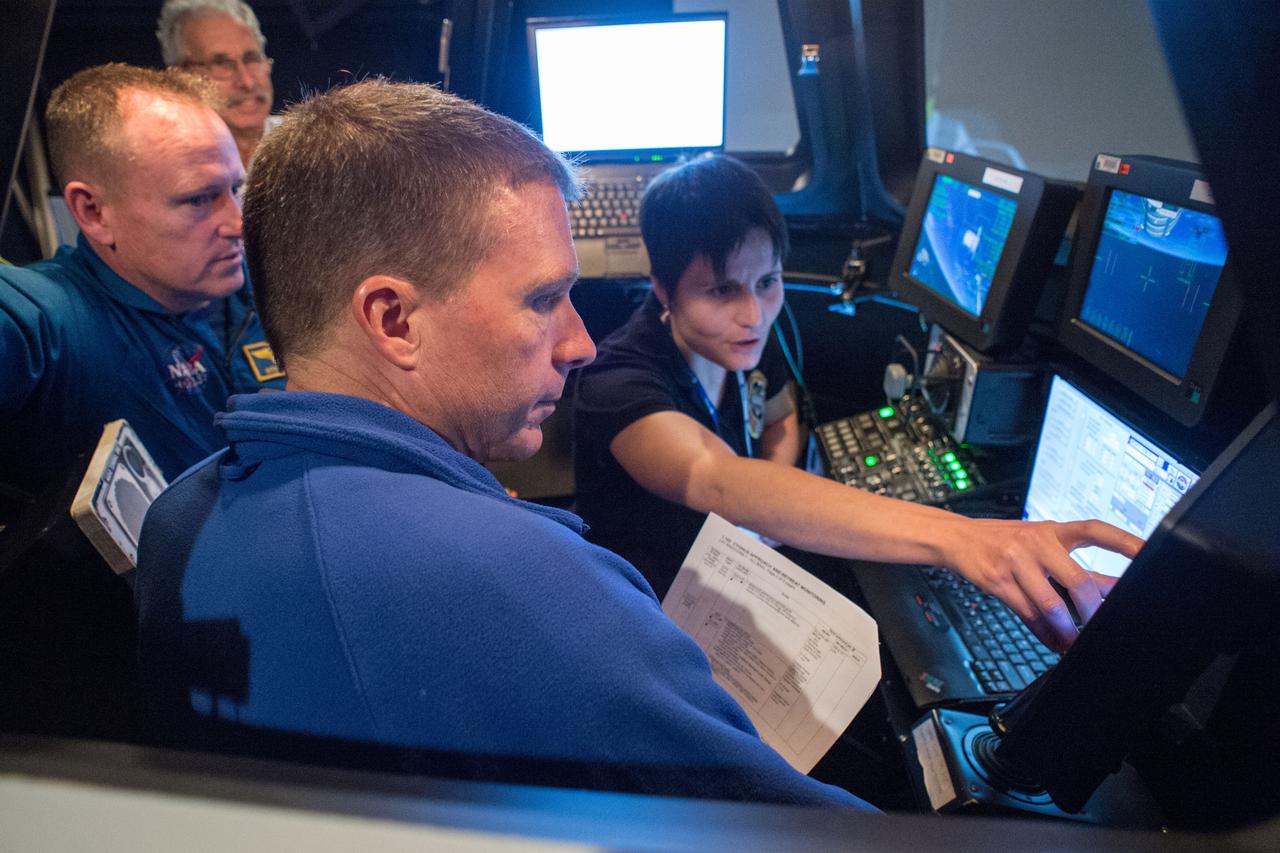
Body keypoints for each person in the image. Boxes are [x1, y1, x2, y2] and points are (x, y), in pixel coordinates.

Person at [133, 79, 875, 810]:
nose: (581, 343)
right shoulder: (540, 584)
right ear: (393, 320)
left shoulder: (172, 521)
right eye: (543, 299)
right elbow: (799, 829)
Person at [572, 154, 1143, 653]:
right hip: (653, 611)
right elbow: (713, 475)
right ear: (663, 288)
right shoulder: (617, 382)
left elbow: (781, 417)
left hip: (739, 577)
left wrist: (766, 512)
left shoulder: (743, 341)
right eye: (722, 291)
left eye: (767, 281)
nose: (754, 315)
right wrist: (966, 538)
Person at [0, 63, 284, 499]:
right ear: (93, 212)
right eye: (198, 199)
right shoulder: (51, 318)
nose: (237, 224)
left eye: (234, 190)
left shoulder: (270, 285)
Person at [156, 0, 277, 168]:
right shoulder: (162, 165)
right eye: (222, 64)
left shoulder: (308, 145)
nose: (247, 82)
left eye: (251, 59)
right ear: (180, 76)